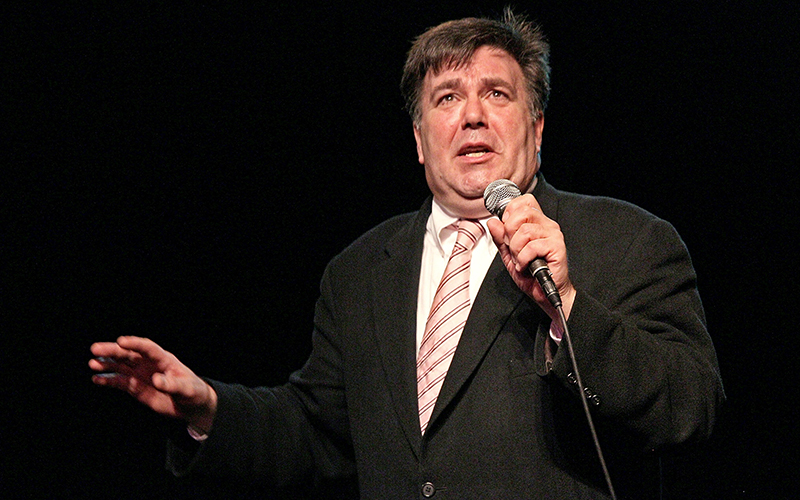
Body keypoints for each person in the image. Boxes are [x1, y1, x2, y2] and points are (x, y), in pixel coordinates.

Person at [89, 9, 724, 499]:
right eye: (447, 98)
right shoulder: (361, 272)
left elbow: (690, 407)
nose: (471, 116)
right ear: (420, 140)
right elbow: (317, 431)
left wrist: (570, 308)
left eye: (496, 94)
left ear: (536, 129)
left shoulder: (627, 240)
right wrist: (210, 408)